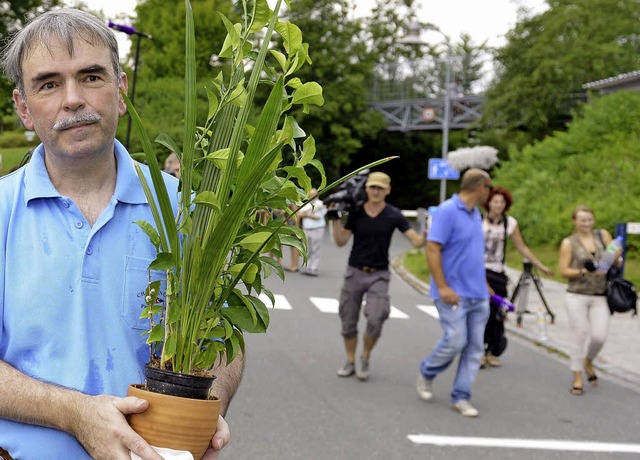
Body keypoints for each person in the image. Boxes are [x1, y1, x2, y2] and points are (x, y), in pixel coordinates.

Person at [0, 9, 242, 459]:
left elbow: (221, 339)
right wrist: (74, 413)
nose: (73, 99)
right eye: (48, 84)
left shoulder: (187, 210)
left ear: (121, 91)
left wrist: (211, 406)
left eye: (91, 76)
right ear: (23, 108)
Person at [332, 171, 425, 381]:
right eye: (372, 187)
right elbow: (340, 241)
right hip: (355, 271)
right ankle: (350, 360)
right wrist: (335, 219)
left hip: (379, 274)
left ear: (388, 190)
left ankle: (365, 356)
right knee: (348, 319)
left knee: (376, 318)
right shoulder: (356, 212)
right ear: (366, 189)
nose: (375, 191)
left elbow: (417, 242)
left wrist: (430, 231)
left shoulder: (394, 214)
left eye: (380, 188)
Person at [416, 168, 492, 417]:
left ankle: (461, 396)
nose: (489, 193)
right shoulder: (448, 211)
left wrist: (484, 283)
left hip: (478, 293)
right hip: (452, 293)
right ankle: (427, 371)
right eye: (488, 188)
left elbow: (471, 254)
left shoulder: (475, 215)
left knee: (474, 348)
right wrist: (443, 286)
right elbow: (432, 248)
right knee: (455, 340)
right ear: (480, 187)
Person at [482, 186, 554, 368]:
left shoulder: (509, 223)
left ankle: (492, 350)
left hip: (498, 273)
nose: (498, 205)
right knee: (483, 313)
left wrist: (540, 266)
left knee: (498, 314)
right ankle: (478, 351)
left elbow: (522, 247)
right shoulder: (478, 220)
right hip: (480, 272)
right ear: (488, 202)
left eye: (502, 202)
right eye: (495, 201)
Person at [558, 205, 619, 396]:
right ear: (575, 221)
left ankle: (589, 361)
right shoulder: (569, 242)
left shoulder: (603, 235)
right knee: (580, 333)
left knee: (599, 336)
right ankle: (577, 375)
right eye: (582, 220)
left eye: (589, 219)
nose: (586, 223)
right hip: (577, 294)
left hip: (600, 294)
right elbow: (563, 271)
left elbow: (615, 259)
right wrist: (583, 271)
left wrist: (617, 257)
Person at [298, 187, 327, 276]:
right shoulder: (306, 204)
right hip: (307, 229)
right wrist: (309, 213)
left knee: (316, 248)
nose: (312, 196)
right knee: (308, 249)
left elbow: (317, 217)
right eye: (311, 194)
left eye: (313, 194)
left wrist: (306, 214)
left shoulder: (320, 204)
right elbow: (299, 214)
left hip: (317, 228)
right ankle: (308, 267)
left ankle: (314, 268)